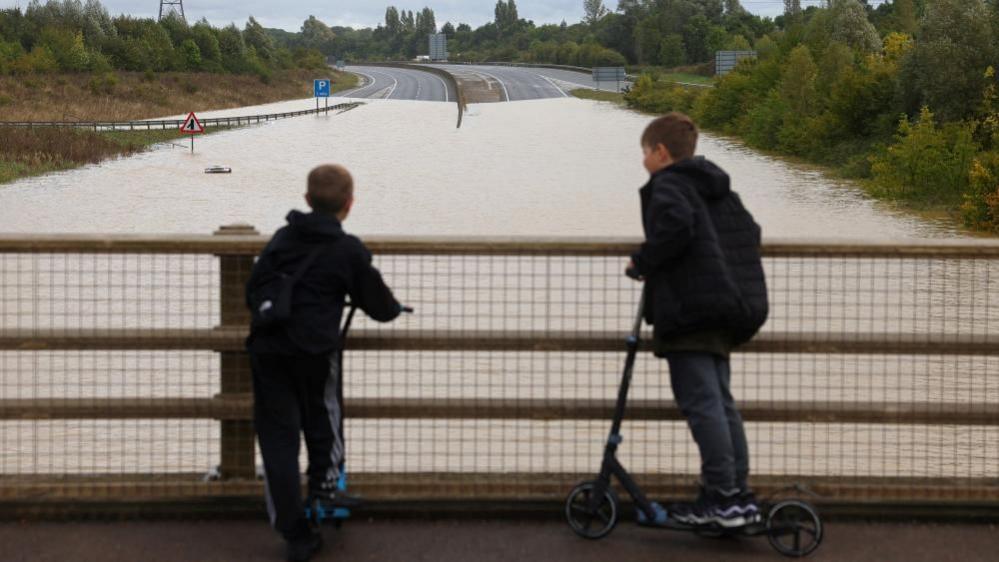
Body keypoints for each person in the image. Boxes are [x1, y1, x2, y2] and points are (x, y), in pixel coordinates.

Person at [246, 164, 403, 562]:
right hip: (315, 354)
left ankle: (294, 533)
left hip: (268, 352)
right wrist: (395, 307)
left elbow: (252, 290)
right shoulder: (346, 250)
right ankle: (326, 491)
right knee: (324, 419)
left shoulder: (282, 238)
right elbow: (381, 308)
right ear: (349, 205)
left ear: (306, 200)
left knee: (278, 442)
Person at [627, 112, 769, 528]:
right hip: (726, 307)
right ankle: (735, 495)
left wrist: (643, 261)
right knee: (721, 404)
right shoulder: (716, 187)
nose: (642, 162)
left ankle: (722, 498)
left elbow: (675, 227)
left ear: (661, 152)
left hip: (691, 310)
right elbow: (750, 231)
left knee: (704, 405)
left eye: (644, 153)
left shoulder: (670, 184)